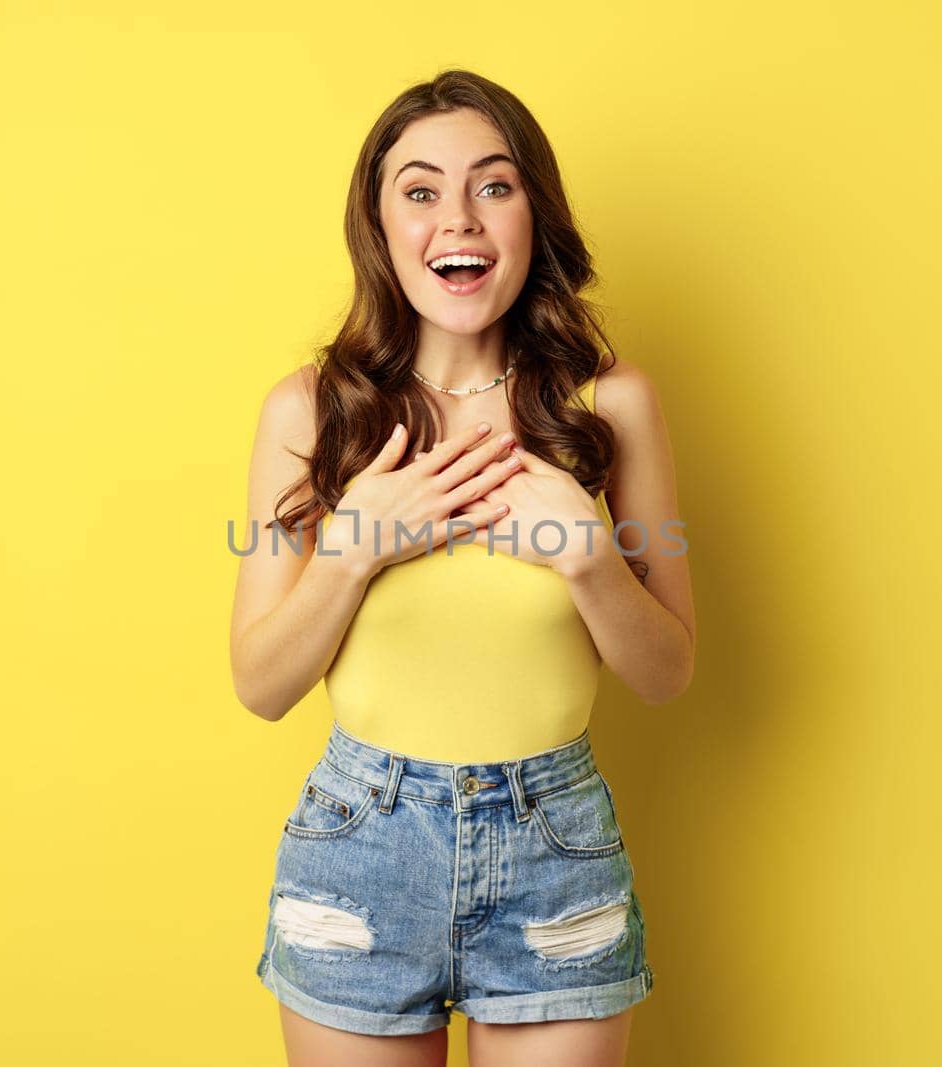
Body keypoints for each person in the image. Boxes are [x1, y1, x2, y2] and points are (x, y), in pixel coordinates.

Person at [230, 68, 695, 1067]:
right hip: (358, 852)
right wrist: (350, 552)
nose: (460, 219)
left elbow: (666, 672)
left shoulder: (611, 408)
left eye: (494, 185)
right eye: (420, 190)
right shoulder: (307, 414)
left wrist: (592, 563)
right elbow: (261, 684)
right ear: (380, 223)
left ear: (534, 211)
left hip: (556, 851)